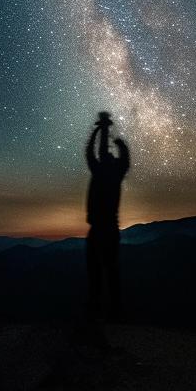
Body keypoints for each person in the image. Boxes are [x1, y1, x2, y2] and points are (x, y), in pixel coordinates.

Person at [84, 110, 130, 320]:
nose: (108, 156)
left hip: (100, 229)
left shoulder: (100, 170)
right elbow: (120, 159)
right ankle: (115, 312)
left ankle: (98, 310)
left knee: (97, 271)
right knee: (110, 270)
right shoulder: (114, 173)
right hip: (110, 229)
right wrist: (118, 143)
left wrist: (100, 131)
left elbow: (92, 152)